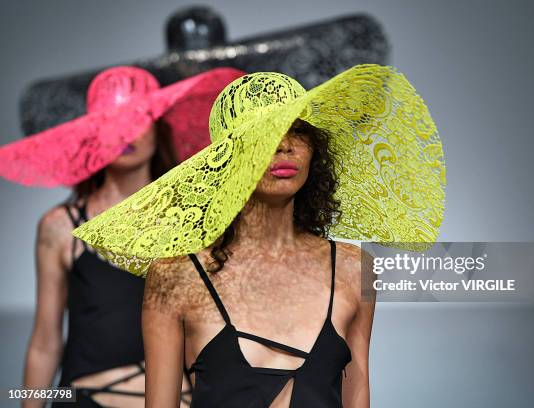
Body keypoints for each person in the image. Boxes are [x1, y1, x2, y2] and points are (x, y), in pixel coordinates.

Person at [73, 64, 446, 407]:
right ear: (227, 155)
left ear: (315, 149)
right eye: (264, 132)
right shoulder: (175, 276)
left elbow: (358, 390)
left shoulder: (353, 267)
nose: (284, 145)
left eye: (298, 130)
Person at [0, 66, 244, 407]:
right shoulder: (61, 227)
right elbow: (45, 341)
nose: (126, 132)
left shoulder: (192, 223)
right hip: (82, 398)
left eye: (137, 118)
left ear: (158, 127)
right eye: (111, 120)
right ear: (94, 133)